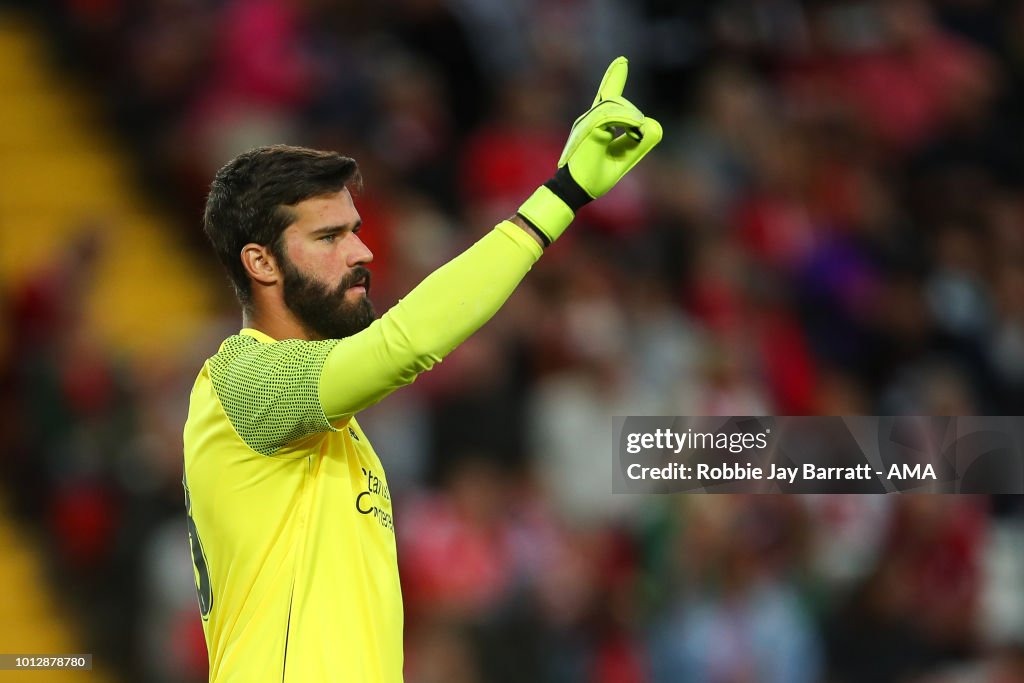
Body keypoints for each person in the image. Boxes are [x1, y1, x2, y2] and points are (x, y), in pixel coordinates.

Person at [183, 56, 661, 682]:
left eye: (355, 231)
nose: (362, 251)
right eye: (329, 238)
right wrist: (561, 195)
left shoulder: (328, 430)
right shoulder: (241, 378)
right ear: (262, 263)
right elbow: (405, 344)